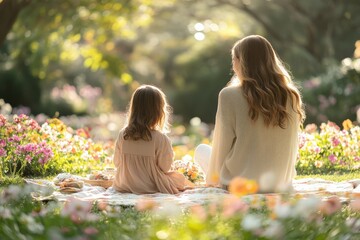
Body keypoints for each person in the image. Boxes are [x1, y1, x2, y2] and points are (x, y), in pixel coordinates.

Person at [195, 35, 305, 192]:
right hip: (279, 184)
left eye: (234, 60)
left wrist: (213, 182)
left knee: (201, 150)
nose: (233, 66)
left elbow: (221, 145)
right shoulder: (291, 95)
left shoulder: (228, 95)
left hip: (241, 185)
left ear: (242, 62)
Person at [113, 85, 193, 194]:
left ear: (134, 109)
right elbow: (165, 167)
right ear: (159, 112)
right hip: (151, 186)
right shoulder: (160, 138)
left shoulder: (123, 135)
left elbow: (117, 163)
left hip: (124, 184)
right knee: (178, 178)